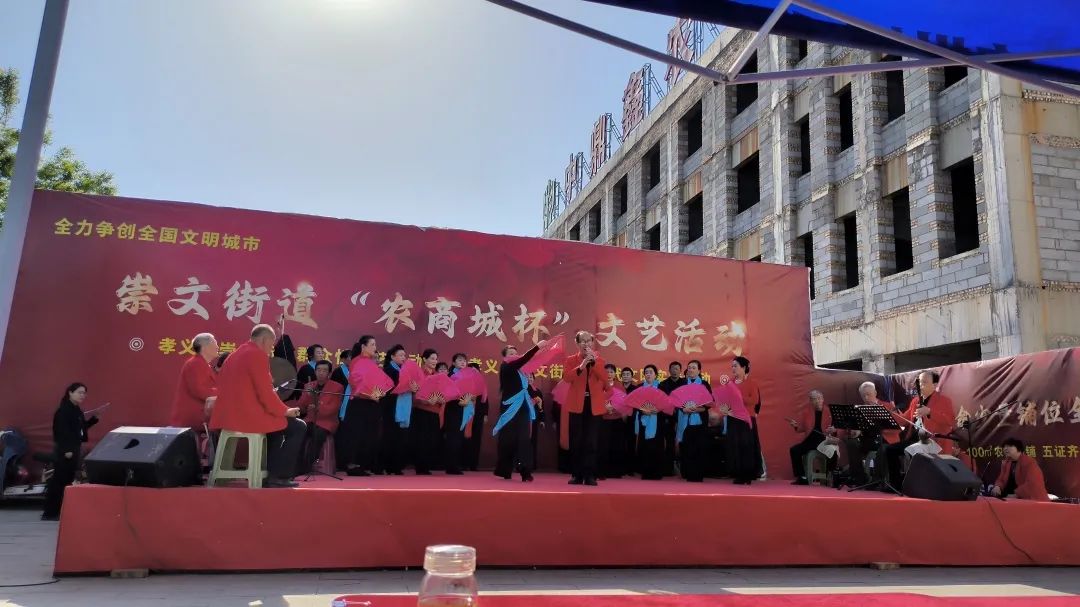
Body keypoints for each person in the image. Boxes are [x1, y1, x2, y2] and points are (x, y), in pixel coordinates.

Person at [209, 324, 304, 488]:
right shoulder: (257, 355)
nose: (271, 349)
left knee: (276, 429)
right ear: (264, 340)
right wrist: (285, 410)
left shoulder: (235, 355)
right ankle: (279, 476)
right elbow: (265, 393)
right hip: (247, 416)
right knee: (298, 427)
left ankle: (270, 474)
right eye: (271, 344)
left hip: (228, 415)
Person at [884, 370, 954, 486]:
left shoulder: (944, 400)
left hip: (933, 441)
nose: (920, 385)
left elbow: (949, 421)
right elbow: (904, 419)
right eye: (919, 382)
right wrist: (888, 414)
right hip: (915, 439)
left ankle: (916, 485)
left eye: (924, 382)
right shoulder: (915, 400)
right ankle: (896, 485)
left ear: (934, 385)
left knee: (914, 451)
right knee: (890, 450)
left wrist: (929, 412)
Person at [41, 383, 99, 520]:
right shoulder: (63, 411)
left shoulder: (76, 410)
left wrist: (93, 420)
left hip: (74, 449)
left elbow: (80, 429)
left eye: (84, 393)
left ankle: (59, 510)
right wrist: (66, 450)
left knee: (67, 480)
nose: (82, 395)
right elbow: (60, 432)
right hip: (65, 451)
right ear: (70, 393)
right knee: (59, 481)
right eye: (79, 392)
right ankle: (50, 512)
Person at [563, 331, 607, 486]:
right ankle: (577, 475)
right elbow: (567, 378)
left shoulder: (599, 360)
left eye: (589, 341)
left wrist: (593, 363)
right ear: (577, 343)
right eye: (583, 341)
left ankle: (590, 475)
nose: (586, 344)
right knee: (576, 440)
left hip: (593, 405)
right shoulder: (571, 360)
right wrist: (581, 365)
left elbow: (604, 378)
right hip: (577, 404)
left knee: (591, 441)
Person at [493, 343, 542, 482]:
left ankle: (525, 471)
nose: (514, 355)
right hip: (510, 408)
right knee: (507, 440)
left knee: (524, 439)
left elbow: (526, 388)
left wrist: (535, 398)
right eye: (511, 353)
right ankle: (504, 470)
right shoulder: (506, 367)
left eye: (515, 353)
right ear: (504, 357)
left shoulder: (522, 371)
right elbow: (524, 358)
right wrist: (537, 347)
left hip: (523, 408)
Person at [338, 336, 381, 476]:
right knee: (356, 434)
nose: (375, 347)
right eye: (372, 344)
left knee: (369, 434)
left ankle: (363, 464)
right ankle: (352, 465)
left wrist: (379, 392)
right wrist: (370, 395)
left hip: (371, 403)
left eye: (375, 344)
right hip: (359, 403)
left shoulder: (370, 362)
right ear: (363, 347)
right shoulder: (357, 361)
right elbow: (355, 383)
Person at [296, 360, 344, 475]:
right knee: (299, 431)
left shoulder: (337, 387)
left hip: (327, 421)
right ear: (315, 371)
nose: (321, 373)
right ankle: (295, 464)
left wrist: (316, 407)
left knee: (317, 435)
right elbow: (301, 407)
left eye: (324, 370)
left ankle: (306, 466)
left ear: (329, 373)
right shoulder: (309, 385)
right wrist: (307, 396)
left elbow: (333, 409)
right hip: (310, 419)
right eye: (318, 370)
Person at [168, 332, 219, 432]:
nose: (217, 347)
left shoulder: (202, 364)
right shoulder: (195, 364)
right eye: (215, 343)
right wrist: (223, 394)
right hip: (193, 418)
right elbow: (200, 390)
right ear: (204, 347)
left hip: (202, 417)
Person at [788, 390, 838, 484]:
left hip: (824, 440)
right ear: (810, 401)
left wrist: (834, 430)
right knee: (794, 450)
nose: (817, 401)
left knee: (833, 451)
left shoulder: (829, 411)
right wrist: (796, 426)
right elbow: (802, 428)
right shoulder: (807, 412)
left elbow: (837, 428)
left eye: (819, 398)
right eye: (814, 399)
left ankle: (831, 475)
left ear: (823, 399)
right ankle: (802, 477)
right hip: (810, 440)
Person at [380, 345, 414, 476]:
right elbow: (388, 389)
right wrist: (405, 387)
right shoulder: (388, 370)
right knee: (389, 437)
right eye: (400, 355)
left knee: (400, 437)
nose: (403, 358)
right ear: (392, 357)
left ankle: (396, 466)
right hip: (390, 407)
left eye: (404, 355)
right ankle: (387, 466)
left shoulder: (404, 370)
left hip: (402, 407)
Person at [676, 360, 711, 482]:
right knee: (686, 447)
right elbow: (676, 400)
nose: (691, 370)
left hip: (699, 421)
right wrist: (683, 408)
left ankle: (698, 474)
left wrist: (697, 409)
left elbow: (709, 403)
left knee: (699, 447)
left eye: (694, 368)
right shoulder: (682, 383)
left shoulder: (704, 384)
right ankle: (686, 473)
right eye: (689, 367)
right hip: (685, 420)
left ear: (699, 370)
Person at [411, 349, 443, 475]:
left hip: (434, 411)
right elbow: (415, 394)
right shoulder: (419, 374)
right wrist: (426, 401)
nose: (434, 361)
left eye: (436, 359)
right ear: (425, 359)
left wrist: (441, 399)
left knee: (432, 439)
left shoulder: (438, 376)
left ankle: (427, 465)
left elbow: (444, 393)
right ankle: (420, 466)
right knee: (422, 439)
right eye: (432, 358)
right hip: (421, 410)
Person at [732, 356, 764, 479]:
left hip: (747, 419)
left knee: (747, 445)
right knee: (735, 446)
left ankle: (749, 473)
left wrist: (739, 397)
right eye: (732, 366)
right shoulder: (730, 383)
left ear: (744, 367)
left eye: (735, 366)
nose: (733, 368)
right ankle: (737, 473)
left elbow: (754, 400)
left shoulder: (751, 383)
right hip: (733, 418)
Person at [597, 363, 629, 480]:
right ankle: (602, 471)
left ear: (615, 374)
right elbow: (595, 400)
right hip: (603, 419)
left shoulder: (620, 386)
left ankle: (615, 471)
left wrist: (615, 408)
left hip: (617, 419)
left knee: (616, 445)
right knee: (603, 445)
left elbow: (624, 402)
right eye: (607, 372)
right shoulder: (599, 385)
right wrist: (605, 408)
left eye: (611, 372)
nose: (609, 374)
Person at [635, 365, 665, 480]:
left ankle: (657, 472)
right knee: (645, 446)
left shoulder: (662, 387)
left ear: (655, 374)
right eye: (646, 372)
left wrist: (658, 410)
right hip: (644, 420)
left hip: (658, 421)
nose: (648, 374)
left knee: (657, 446)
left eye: (650, 372)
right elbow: (635, 403)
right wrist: (642, 410)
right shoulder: (639, 387)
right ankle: (645, 472)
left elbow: (667, 403)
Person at [442, 353, 470, 475]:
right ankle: (451, 466)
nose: (463, 362)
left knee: (459, 437)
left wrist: (467, 399)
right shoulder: (450, 376)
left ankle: (455, 465)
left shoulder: (466, 376)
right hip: (452, 409)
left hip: (463, 409)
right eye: (460, 360)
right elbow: (447, 393)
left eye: (464, 360)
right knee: (453, 438)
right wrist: (459, 400)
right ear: (453, 363)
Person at [658, 361, 683, 476]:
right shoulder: (663, 384)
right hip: (668, 417)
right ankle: (668, 468)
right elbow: (661, 400)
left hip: (683, 415)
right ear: (669, 370)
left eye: (677, 369)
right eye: (673, 368)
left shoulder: (685, 383)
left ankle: (682, 466)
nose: (674, 371)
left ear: (680, 370)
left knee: (683, 442)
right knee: (669, 442)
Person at [463, 361, 487, 471]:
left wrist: (485, 414)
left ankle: (473, 464)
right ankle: (464, 463)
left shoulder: (481, 384)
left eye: (475, 371)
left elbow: (486, 401)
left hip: (478, 414)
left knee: (476, 439)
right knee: (465, 438)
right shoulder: (464, 382)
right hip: (466, 414)